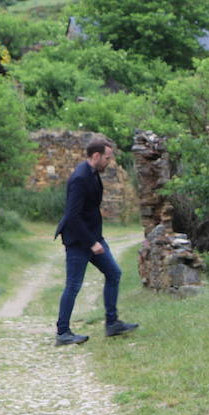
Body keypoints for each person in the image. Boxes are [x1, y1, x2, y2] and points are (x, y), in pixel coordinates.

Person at [53, 136, 137, 346]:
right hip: (79, 241)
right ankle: (63, 333)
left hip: (93, 237)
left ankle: (112, 323)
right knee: (73, 285)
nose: (109, 162)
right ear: (96, 155)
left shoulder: (93, 173)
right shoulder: (80, 177)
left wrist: (96, 239)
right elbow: (72, 216)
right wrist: (91, 243)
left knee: (114, 273)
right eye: (107, 158)